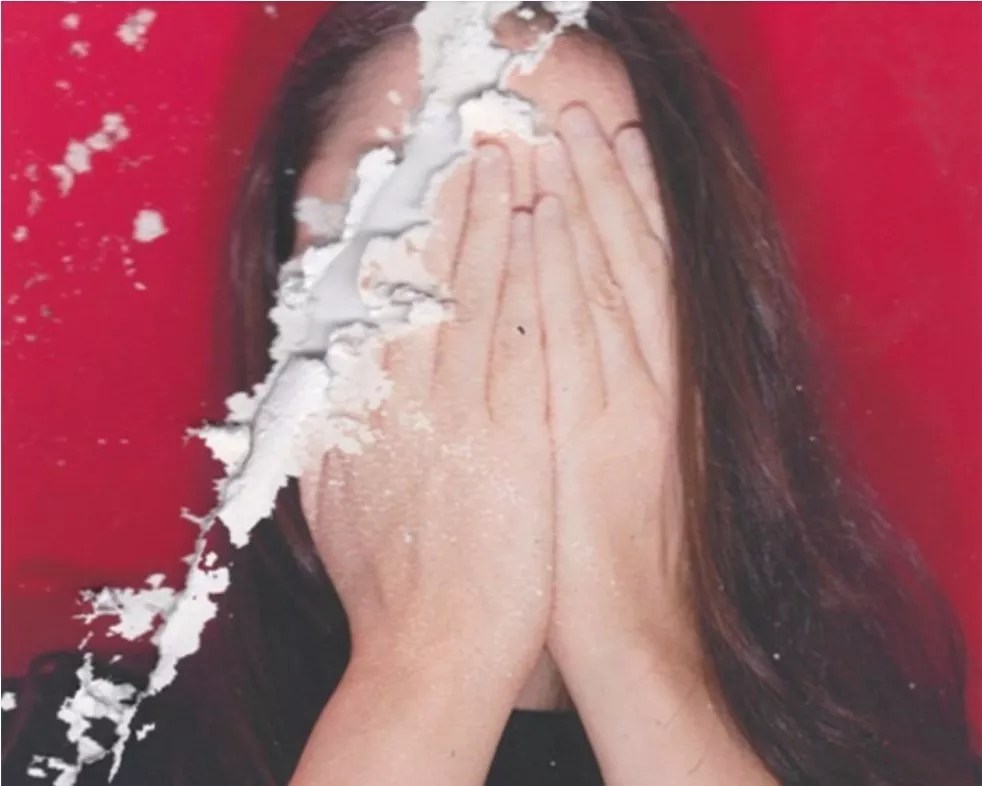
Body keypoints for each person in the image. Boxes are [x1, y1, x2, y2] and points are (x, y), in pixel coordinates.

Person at [3, 4, 978, 785]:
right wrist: (425, 665)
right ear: (282, 308)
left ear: (709, 328)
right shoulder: (73, 747)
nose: (501, 307)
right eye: (411, 218)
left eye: (587, 233)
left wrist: (639, 651)